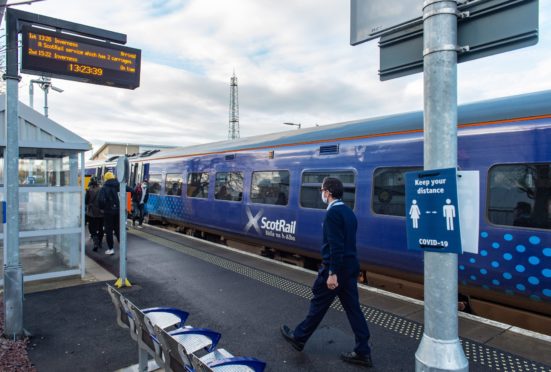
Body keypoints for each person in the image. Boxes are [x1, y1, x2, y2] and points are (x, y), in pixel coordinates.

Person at [280, 177, 372, 367]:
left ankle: (298, 338)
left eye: (322, 190)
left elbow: (335, 247)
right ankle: (363, 351)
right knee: (354, 310)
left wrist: (332, 273)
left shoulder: (333, 214)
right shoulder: (348, 212)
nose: (321, 193)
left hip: (336, 270)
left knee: (318, 305)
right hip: (350, 268)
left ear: (328, 192)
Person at [98, 172, 123, 255]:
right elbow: (131, 191)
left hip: (108, 212)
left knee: (109, 230)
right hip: (118, 211)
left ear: (106, 179)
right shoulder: (119, 185)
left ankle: (111, 249)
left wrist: (102, 208)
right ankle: (122, 245)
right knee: (117, 229)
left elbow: (101, 200)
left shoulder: (104, 188)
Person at [85, 176, 104, 251]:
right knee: (100, 228)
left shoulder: (89, 190)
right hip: (101, 212)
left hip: (92, 212)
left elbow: (86, 202)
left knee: (92, 228)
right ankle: (100, 243)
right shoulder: (101, 189)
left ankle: (95, 241)